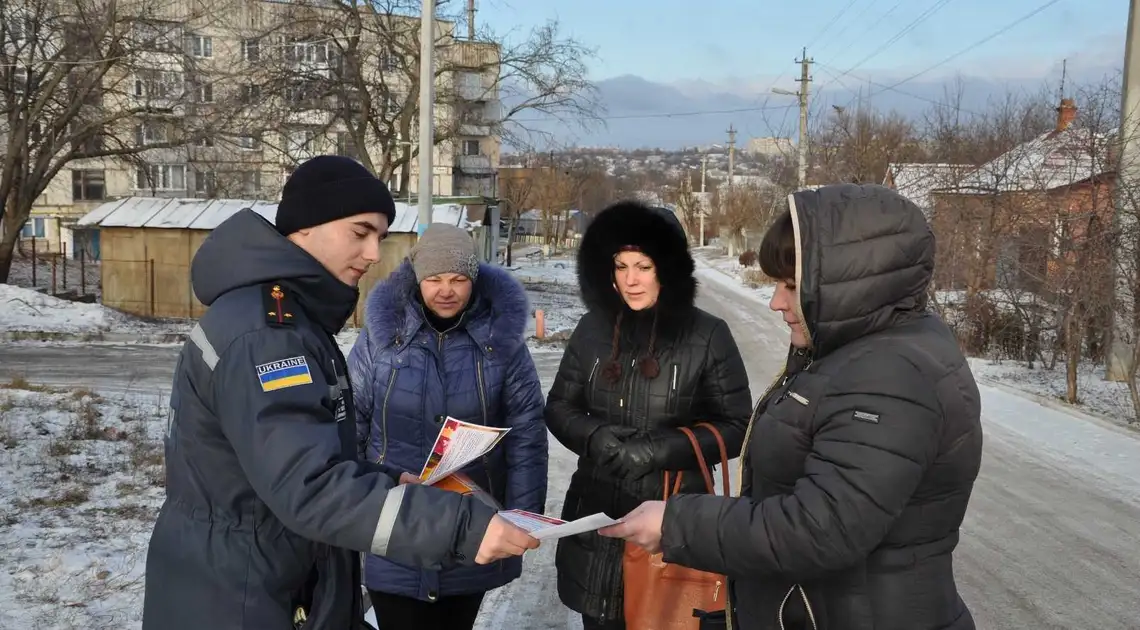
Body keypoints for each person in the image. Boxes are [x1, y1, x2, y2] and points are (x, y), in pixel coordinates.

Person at [142, 155, 538, 630]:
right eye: (360, 232)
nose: (373, 253)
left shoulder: (285, 317)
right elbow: (309, 486)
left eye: (380, 238)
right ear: (307, 227)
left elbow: (305, 454)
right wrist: (460, 526)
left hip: (270, 578)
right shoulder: (267, 333)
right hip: (244, 595)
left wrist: (388, 482)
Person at [602, 183, 984, 630]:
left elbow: (821, 528)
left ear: (852, 286)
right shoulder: (866, 351)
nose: (776, 302)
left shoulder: (890, 373)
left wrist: (677, 524)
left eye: (790, 286)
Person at [545, 201, 753, 630]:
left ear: (669, 268)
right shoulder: (592, 328)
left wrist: (659, 450)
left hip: (672, 526)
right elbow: (559, 407)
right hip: (598, 519)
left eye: (644, 265)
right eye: (621, 266)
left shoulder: (708, 334)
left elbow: (737, 426)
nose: (631, 279)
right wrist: (593, 436)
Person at [347, 222, 549, 629]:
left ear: (474, 280)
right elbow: (351, 424)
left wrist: (523, 516)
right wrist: (347, 506)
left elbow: (527, 433)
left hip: (472, 523)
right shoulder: (380, 341)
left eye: (458, 279)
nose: (446, 290)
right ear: (417, 279)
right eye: (435, 279)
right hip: (393, 522)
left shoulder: (502, 343)